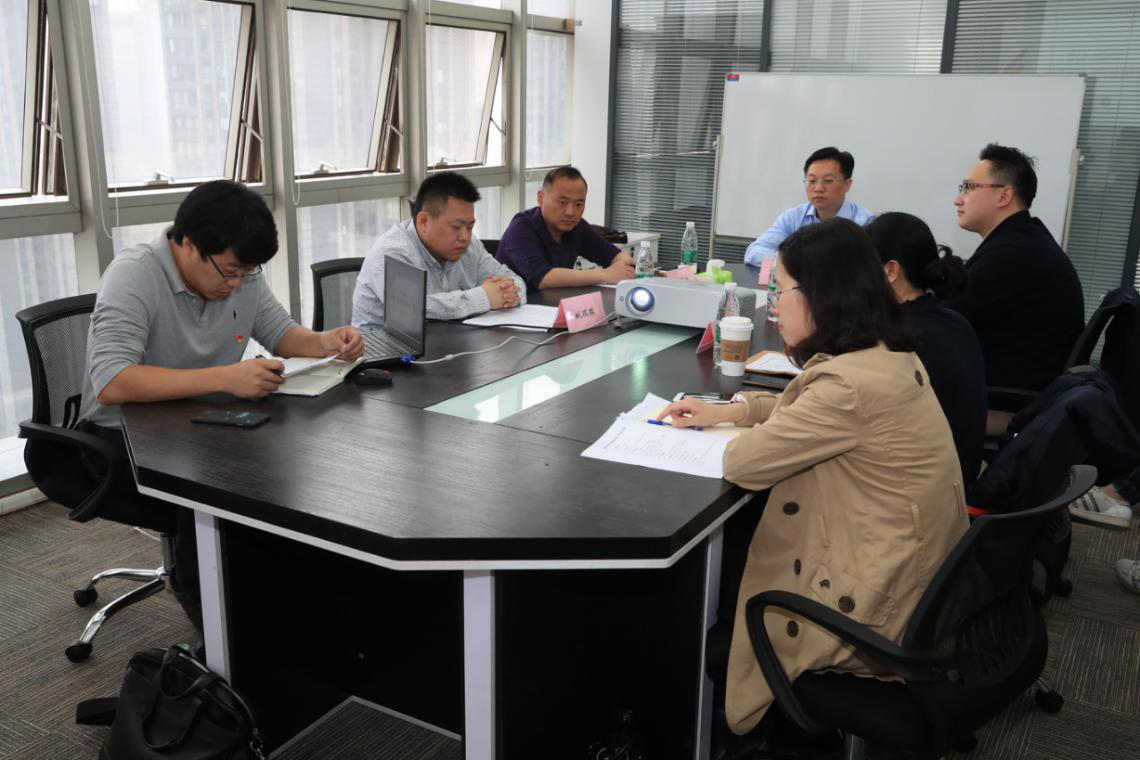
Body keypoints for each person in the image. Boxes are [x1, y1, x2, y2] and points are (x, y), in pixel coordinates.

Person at [659, 219, 968, 736]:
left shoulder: (848, 387)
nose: (773, 305)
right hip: (922, 586)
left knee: (705, 597)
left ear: (822, 294)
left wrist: (745, 427)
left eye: (780, 290)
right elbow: (803, 406)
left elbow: (744, 464)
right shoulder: (886, 355)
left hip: (874, 609)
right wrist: (734, 410)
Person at [80, 179, 364, 627]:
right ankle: (217, 626)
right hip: (125, 434)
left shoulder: (240, 274)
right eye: (229, 271)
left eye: (246, 273)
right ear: (188, 245)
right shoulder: (134, 274)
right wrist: (225, 378)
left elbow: (280, 334)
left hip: (204, 419)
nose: (235, 284)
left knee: (295, 457)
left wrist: (327, 341)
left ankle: (292, 600)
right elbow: (112, 381)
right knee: (219, 482)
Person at [945, 143, 1084, 401]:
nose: (958, 199)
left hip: (1010, 398)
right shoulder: (1022, 239)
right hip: (1022, 382)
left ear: (1004, 196)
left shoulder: (1012, 253)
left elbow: (946, 319)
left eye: (969, 187)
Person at [867, 212, 987, 493]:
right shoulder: (955, 321)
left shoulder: (897, 338)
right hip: (958, 478)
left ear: (890, 271)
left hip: (918, 493)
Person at [352, 172, 525, 329]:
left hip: (450, 343)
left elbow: (514, 281)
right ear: (423, 222)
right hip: (385, 350)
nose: (465, 237)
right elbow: (412, 309)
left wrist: (508, 293)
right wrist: (484, 297)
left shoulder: (469, 245)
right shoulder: (391, 254)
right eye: (456, 226)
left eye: (470, 226)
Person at [495, 166, 635, 290]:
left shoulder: (577, 226)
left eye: (579, 204)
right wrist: (605, 275)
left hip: (555, 304)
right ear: (541, 198)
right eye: (562, 202)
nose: (571, 212)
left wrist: (627, 266)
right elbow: (543, 277)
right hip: (514, 306)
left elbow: (611, 255)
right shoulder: (520, 229)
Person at [743, 146, 876, 266]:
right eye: (812, 180)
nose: (818, 188)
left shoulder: (866, 223)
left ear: (847, 184)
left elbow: (870, 268)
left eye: (828, 181)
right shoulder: (793, 218)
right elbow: (754, 252)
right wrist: (794, 262)